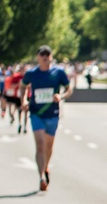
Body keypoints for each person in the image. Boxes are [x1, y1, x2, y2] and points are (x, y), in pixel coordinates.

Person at [22, 45, 73, 191]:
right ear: (38, 57)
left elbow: (69, 89)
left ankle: (45, 167)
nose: (45, 57)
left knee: (49, 145)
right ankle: (41, 178)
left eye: (47, 54)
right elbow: (23, 86)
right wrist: (24, 100)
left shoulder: (58, 73)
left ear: (51, 57)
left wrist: (61, 96)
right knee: (39, 144)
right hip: (36, 113)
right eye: (42, 54)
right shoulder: (32, 73)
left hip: (52, 114)